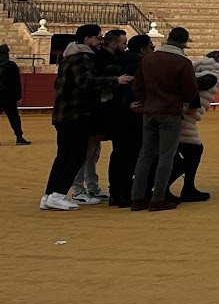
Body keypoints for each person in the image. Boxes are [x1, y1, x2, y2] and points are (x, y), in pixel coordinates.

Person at [41, 24, 130, 212]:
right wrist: (116, 80)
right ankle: (58, 194)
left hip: (63, 114)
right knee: (76, 155)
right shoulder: (83, 57)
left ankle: (49, 195)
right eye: (97, 37)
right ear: (87, 39)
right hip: (77, 114)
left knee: (63, 156)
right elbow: (86, 82)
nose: (100, 41)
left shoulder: (68, 57)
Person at [131, 26, 199, 211]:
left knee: (145, 155)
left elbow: (137, 86)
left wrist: (146, 101)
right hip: (170, 112)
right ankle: (157, 198)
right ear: (184, 43)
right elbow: (191, 91)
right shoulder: (183, 62)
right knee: (166, 156)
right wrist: (180, 101)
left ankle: (137, 198)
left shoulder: (148, 59)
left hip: (149, 111)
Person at [102, 33, 152, 206]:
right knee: (132, 155)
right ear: (143, 50)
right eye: (151, 47)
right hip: (132, 116)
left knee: (118, 154)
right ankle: (126, 194)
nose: (152, 50)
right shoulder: (140, 64)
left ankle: (115, 193)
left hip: (114, 115)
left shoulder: (114, 62)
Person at [173, 51, 219, 201]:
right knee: (192, 152)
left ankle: (185, 188)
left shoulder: (197, 70)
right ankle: (181, 189)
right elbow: (191, 85)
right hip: (183, 118)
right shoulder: (212, 76)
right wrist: (193, 105)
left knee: (188, 153)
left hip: (182, 117)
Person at [0, 43, 26, 145]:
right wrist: (19, 96)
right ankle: (19, 138)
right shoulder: (11, 65)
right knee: (14, 117)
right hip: (9, 97)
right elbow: (16, 82)